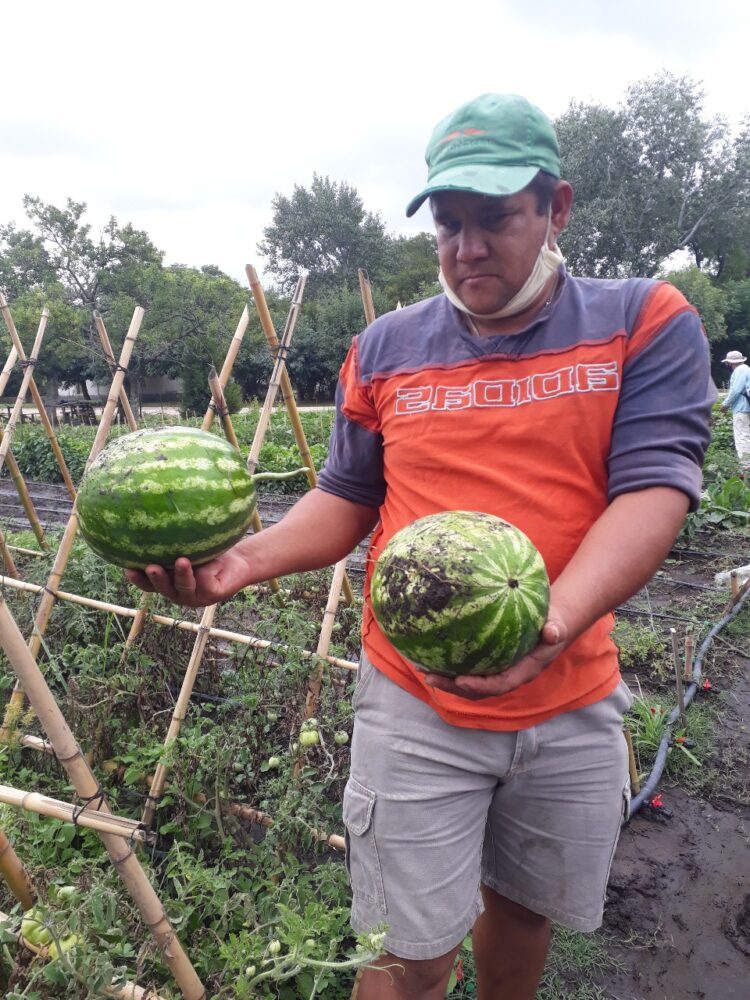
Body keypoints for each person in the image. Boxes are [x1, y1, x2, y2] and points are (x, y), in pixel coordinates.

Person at [126, 93, 716, 999]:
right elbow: (346, 498)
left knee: (520, 914)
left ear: (556, 208)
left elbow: (655, 488)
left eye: (496, 220)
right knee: (406, 955)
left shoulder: (646, 320)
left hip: (569, 695)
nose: (467, 248)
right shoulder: (387, 345)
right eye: (448, 225)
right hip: (415, 707)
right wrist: (242, 561)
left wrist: (549, 625)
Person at [719, 349, 750, 474]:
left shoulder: (739, 371)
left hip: (742, 407)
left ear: (729, 363)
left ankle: (746, 468)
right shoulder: (747, 369)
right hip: (748, 406)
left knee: (742, 437)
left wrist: (725, 404)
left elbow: (736, 390)